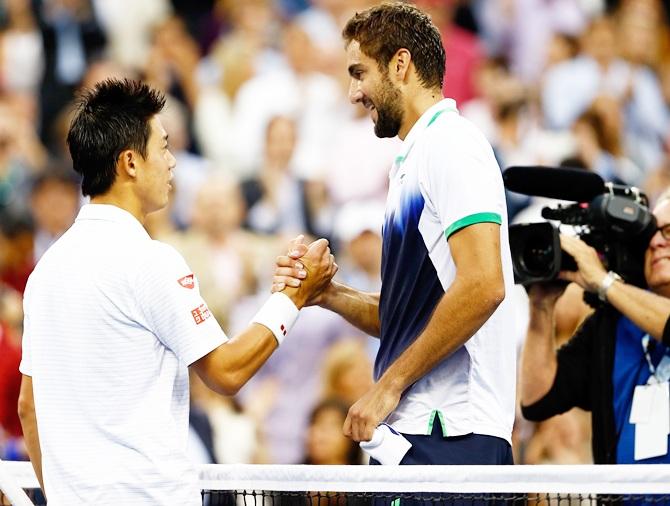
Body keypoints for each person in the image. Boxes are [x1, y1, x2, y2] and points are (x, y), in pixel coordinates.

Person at [16, 78, 337, 505]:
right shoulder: (151, 261)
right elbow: (226, 372)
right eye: (163, 147)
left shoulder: (46, 271)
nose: (171, 163)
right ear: (131, 162)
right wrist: (292, 297)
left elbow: (29, 408)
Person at [274, 3, 516, 465]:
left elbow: (484, 285)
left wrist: (388, 385)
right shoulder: (414, 158)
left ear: (399, 65)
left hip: (451, 432)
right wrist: (327, 293)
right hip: (420, 433)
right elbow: (410, 318)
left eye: (359, 72)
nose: (352, 93)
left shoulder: (452, 144)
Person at [520, 191, 670, 464]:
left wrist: (603, 281)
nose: (657, 242)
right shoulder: (610, 324)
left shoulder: (609, 292)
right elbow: (537, 399)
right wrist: (541, 305)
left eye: (669, 232)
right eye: (650, 234)